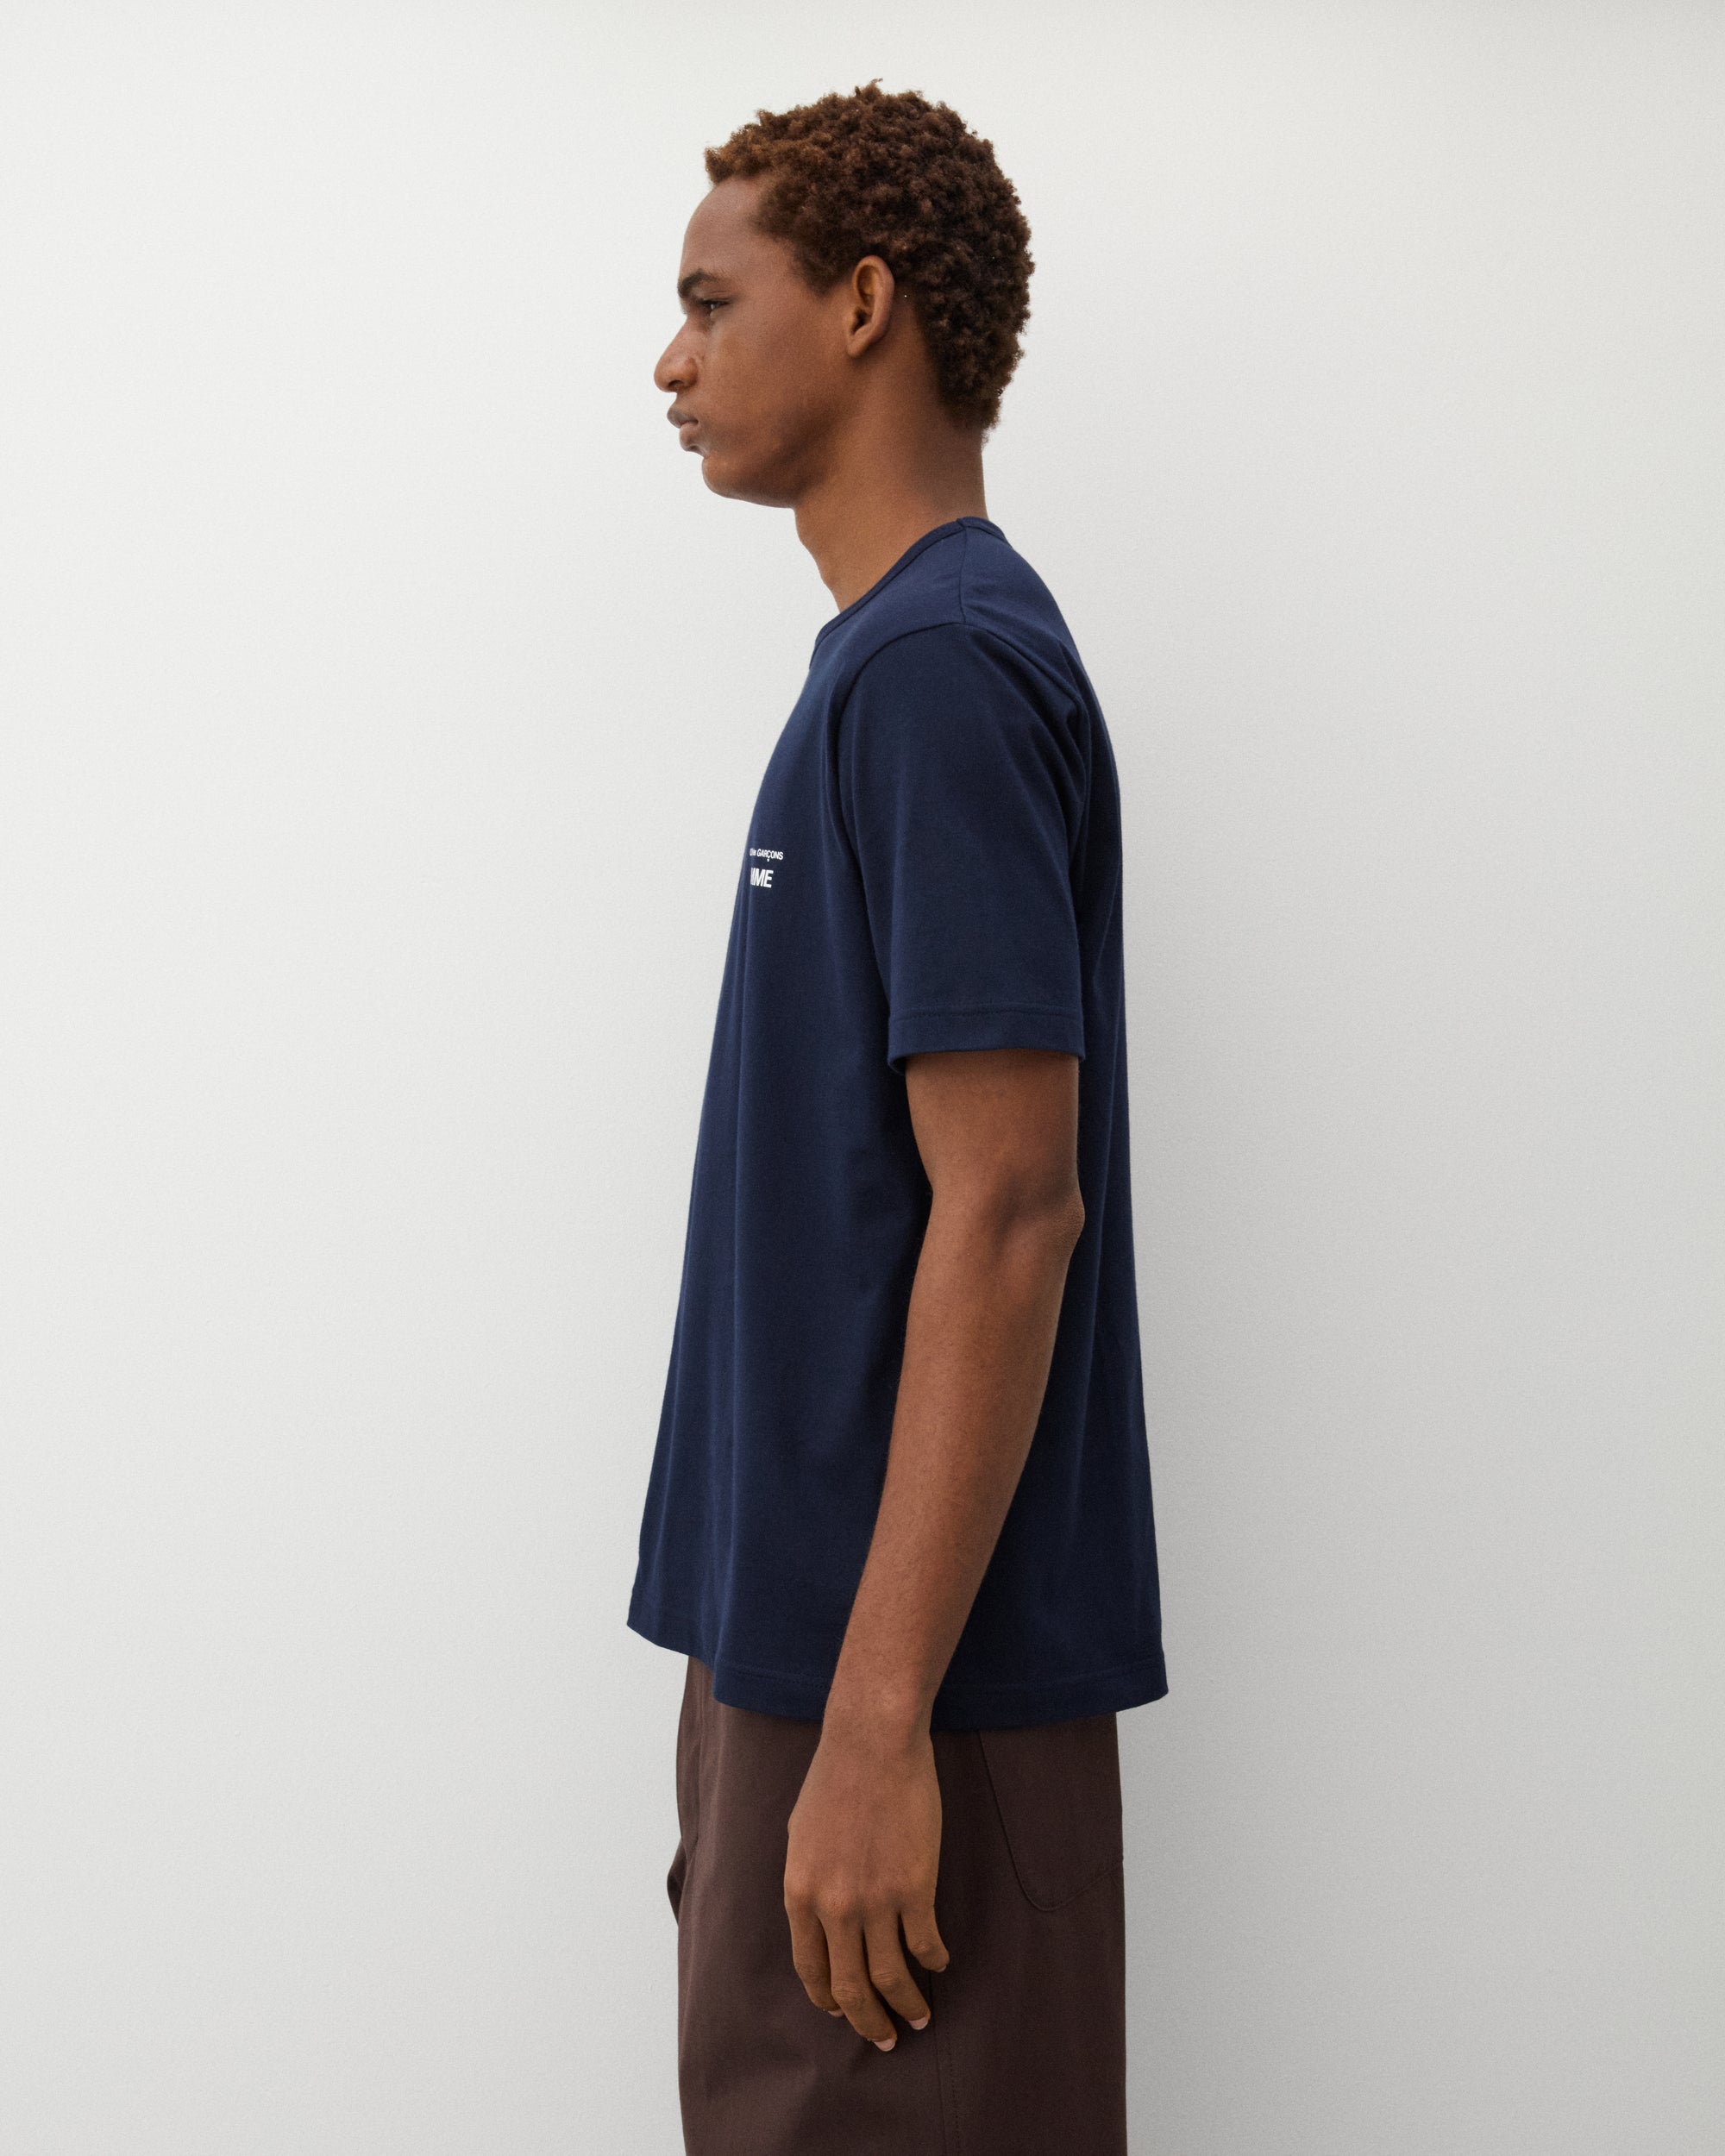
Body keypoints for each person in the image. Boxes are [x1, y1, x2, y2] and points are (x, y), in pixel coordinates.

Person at [627, 83, 1167, 2156]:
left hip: (902, 1694)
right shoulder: (886, 667)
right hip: (815, 1666)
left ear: (862, 306)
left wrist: (869, 1730)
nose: (668, 361)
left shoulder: (938, 673)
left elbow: (1014, 1203)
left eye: (709, 302)